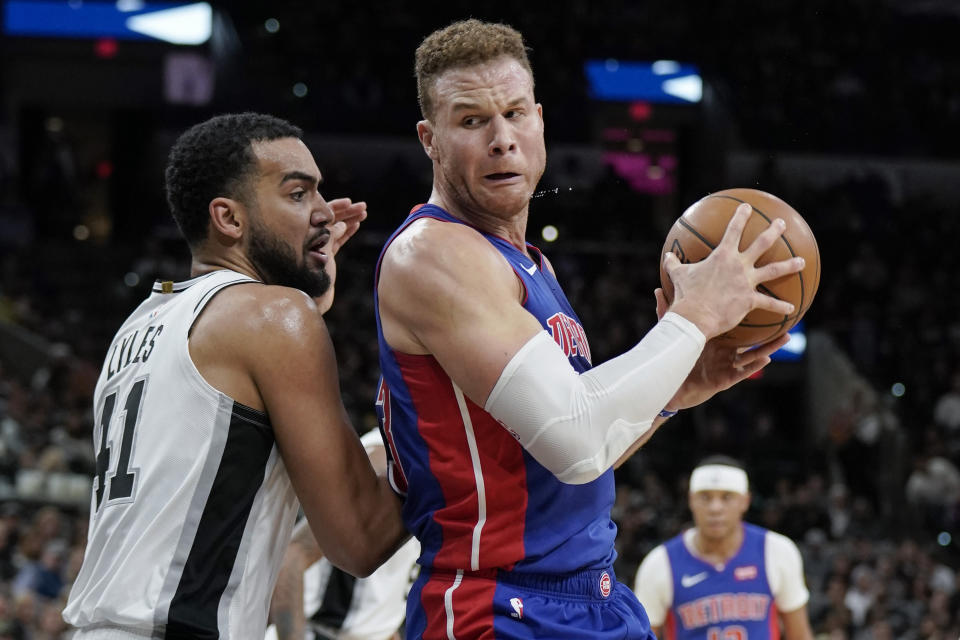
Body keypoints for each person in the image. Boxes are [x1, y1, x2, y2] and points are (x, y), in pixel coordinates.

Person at [373, 18, 805, 640]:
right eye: (472, 121)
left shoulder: (530, 264)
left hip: (589, 594)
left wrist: (676, 393)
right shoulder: (435, 252)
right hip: (496, 608)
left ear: (541, 121)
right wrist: (692, 318)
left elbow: (583, 454)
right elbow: (577, 443)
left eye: (516, 114)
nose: (502, 139)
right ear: (429, 140)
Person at [62, 113, 407, 639]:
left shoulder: (141, 325)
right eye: (297, 194)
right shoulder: (275, 319)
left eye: (319, 192)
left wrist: (307, 299)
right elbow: (357, 540)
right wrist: (455, 437)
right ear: (229, 218)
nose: (323, 213)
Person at [633, 456, 813, 640]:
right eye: (705, 497)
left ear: (745, 501)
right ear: (691, 500)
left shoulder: (777, 551)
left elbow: (799, 635)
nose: (715, 508)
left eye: (727, 497)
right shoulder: (659, 564)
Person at [267, 430, 420, 640]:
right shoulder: (384, 459)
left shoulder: (433, 465)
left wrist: (386, 626)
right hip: (320, 631)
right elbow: (292, 557)